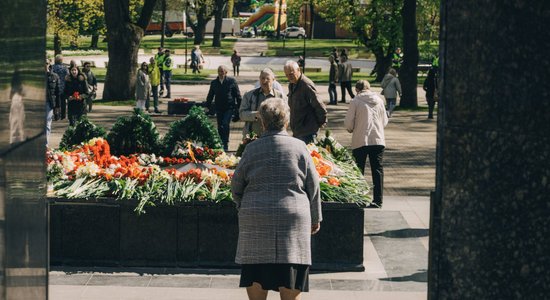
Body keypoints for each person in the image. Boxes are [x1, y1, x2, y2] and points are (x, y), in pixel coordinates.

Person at [231, 97, 322, 300]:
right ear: (287, 122)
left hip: (256, 220)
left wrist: (242, 206)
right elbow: (313, 186)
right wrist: (315, 217)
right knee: (290, 280)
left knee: (256, 277)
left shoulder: (251, 149)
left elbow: (236, 185)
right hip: (292, 220)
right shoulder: (300, 148)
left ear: (262, 123)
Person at [344, 80, 388, 208]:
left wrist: (351, 129)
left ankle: (360, 197)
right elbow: (384, 121)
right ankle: (378, 200)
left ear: (357, 90)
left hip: (361, 139)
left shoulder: (355, 101)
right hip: (378, 139)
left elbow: (349, 123)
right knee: (377, 169)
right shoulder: (379, 100)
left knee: (358, 169)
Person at [283, 60, 327, 144]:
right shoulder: (292, 84)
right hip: (297, 131)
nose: (289, 77)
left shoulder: (306, 85)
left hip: (308, 132)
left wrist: (320, 123)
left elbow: (320, 106)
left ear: (299, 70)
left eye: (291, 74)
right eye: (287, 75)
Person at [205, 65, 242, 151]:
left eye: (222, 71)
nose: (221, 73)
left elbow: (238, 95)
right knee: (220, 126)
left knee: (225, 124)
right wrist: (207, 106)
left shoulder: (231, 81)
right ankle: (220, 142)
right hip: (219, 107)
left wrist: (239, 109)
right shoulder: (214, 83)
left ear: (226, 72)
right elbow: (210, 95)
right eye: (219, 71)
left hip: (229, 107)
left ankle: (225, 143)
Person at [240, 68, 285, 138]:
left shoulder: (280, 96)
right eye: (262, 78)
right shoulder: (249, 95)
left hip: (274, 137)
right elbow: (241, 114)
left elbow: (286, 116)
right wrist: (255, 114)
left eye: (268, 79)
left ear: (273, 80)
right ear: (259, 79)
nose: (265, 81)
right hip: (252, 137)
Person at [46, 60, 61, 146]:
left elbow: (57, 93)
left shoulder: (54, 76)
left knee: (47, 124)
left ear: (49, 65)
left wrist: (57, 107)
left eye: (46, 63)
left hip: (49, 103)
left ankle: (45, 145)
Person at [52, 54, 68, 119]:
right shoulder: (65, 68)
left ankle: (56, 115)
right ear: (61, 60)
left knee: (56, 102)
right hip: (63, 87)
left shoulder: (52, 67)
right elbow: (68, 76)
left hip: (55, 86)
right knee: (63, 102)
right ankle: (63, 115)